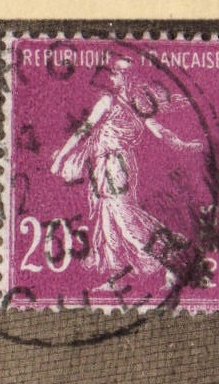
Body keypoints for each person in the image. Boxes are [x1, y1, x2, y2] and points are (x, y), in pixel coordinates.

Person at [50, 56, 202, 281]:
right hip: (106, 164)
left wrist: (182, 145)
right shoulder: (108, 102)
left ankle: (168, 258)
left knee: (123, 214)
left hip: (117, 165)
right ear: (116, 78)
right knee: (109, 212)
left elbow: (159, 130)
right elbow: (84, 131)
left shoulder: (138, 107)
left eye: (129, 74)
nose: (124, 77)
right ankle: (115, 269)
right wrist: (60, 157)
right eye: (120, 73)